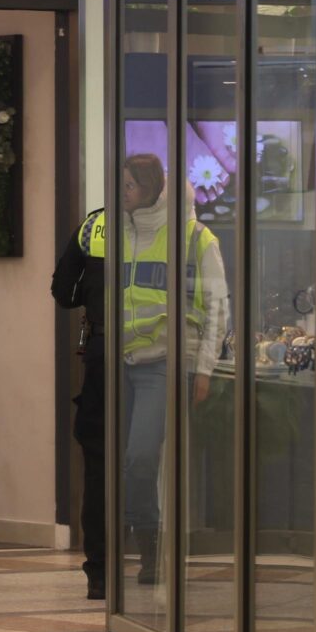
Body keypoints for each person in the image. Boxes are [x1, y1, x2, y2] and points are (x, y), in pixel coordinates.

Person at [113, 152, 226, 588]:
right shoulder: (119, 235)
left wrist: (204, 370)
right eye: (121, 185)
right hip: (120, 362)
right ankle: (136, 545)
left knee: (140, 459)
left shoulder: (196, 238)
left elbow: (216, 308)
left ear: (153, 189)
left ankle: (150, 546)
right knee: (119, 462)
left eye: (130, 186)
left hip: (163, 365)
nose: (123, 193)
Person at [52, 186, 109, 602]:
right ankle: (149, 562)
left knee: (98, 463)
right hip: (159, 362)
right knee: (145, 462)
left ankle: (100, 572)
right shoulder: (179, 228)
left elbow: (64, 293)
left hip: (103, 359)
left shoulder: (95, 225)